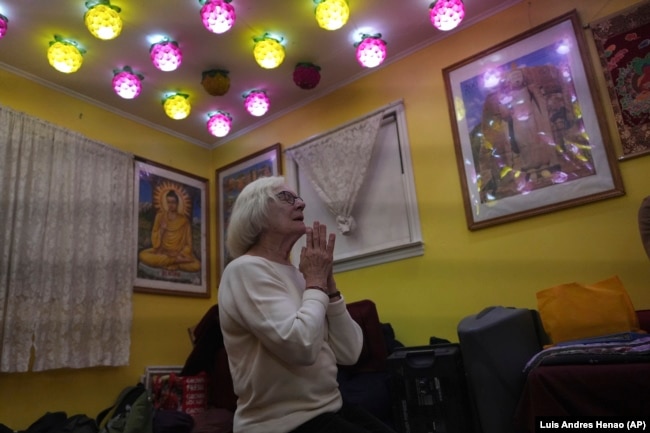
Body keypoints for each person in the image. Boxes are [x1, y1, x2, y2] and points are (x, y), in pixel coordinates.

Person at [217, 176, 396, 433]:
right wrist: (315, 282)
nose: (301, 204)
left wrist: (329, 288)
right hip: (281, 425)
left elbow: (349, 352)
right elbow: (301, 347)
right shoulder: (244, 270)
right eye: (287, 197)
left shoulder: (301, 274)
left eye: (299, 198)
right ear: (256, 213)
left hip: (330, 407)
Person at [139, 189, 201, 272]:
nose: (170, 205)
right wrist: (162, 230)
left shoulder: (184, 221)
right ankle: (175, 262)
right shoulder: (160, 217)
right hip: (162, 252)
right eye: (168, 202)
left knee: (197, 265)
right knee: (143, 255)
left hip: (179, 254)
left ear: (178, 203)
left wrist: (180, 253)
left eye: (173, 202)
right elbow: (155, 243)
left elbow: (188, 245)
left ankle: (170, 261)